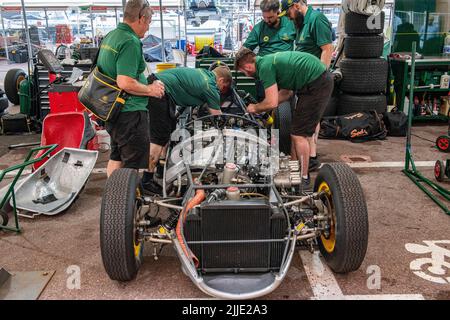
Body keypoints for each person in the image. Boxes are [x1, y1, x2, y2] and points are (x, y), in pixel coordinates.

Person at [235, 48, 333, 190]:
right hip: (313, 82)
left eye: (242, 72)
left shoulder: (264, 67)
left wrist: (255, 108)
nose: (245, 74)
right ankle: (292, 168)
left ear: (247, 66)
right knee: (295, 130)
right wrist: (265, 109)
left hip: (317, 84)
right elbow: (286, 93)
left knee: (299, 135)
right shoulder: (268, 62)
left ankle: (304, 178)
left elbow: (272, 102)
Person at [96, 0, 165, 177]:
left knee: (116, 157)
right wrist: (151, 89)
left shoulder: (112, 35)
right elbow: (125, 82)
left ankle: (113, 197)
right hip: (130, 114)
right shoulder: (130, 41)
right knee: (130, 166)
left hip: (114, 112)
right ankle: (125, 201)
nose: (148, 29)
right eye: (148, 23)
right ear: (141, 18)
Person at [141, 66, 232, 195]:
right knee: (158, 137)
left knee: (169, 131)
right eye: (224, 88)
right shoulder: (210, 86)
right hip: (159, 90)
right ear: (221, 80)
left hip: (163, 89)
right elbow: (218, 117)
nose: (221, 92)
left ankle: (161, 170)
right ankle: (146, 181)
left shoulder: (203, 73)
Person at [280, 0, 333, 172]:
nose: (288, 17)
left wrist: (319, 77)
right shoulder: (300, 23)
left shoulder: (317, 19)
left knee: (307, 123)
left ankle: (310, 159)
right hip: (304, 81)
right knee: (306, 122)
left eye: (288, 13)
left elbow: (327, 49)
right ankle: (309, 157)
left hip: (315, 81)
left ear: (295, 6)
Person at [243, 0, 296, 102]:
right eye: (265, 17)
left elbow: (302, 44)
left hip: (285, 72)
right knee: (264, 103)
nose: (267, 20)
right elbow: (245, 49)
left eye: (270, 17)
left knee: (286, 104)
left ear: (278, 12)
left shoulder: (290, 24)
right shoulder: (259, 28)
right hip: (265, 72)